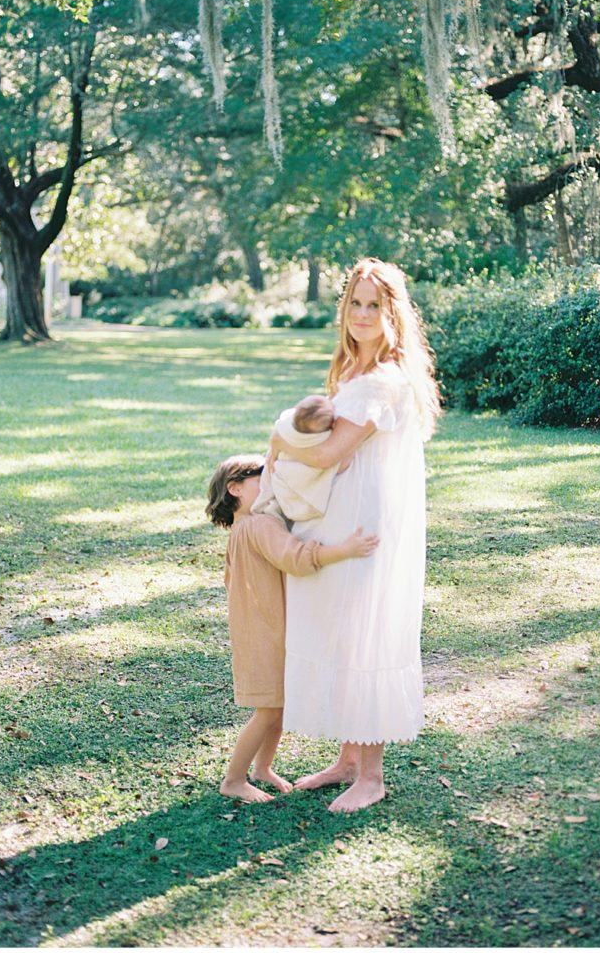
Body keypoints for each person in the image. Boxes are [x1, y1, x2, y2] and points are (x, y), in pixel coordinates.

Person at [268, 257, 441, 813]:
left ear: (393, 314)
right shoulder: (351, 370)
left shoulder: (383, 380)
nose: (363, 315)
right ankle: (347, 759)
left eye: (375, 306)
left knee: (365, 631)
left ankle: (371, 774)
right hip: (338, 516)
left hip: (367, 522)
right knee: (343, 629)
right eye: (356, 304)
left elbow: (329, 451)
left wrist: (275, 440)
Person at [205, 454, 379, 803]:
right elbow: (297, 558)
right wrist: (345, 549)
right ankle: (234, 780)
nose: (271, 484)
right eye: (263, 478)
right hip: (269, 634)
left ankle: (261, 769)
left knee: (277, 705)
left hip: (256, 630)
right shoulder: (260, 525)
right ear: (235, 488)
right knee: (268, 710)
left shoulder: (240, 531)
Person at [252, 395, 340, 523]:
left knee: (275, 471)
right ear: (333, 424)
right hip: (301, 489)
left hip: (289, 485)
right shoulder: (324, 438)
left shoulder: (286, 428)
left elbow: (281, 427)